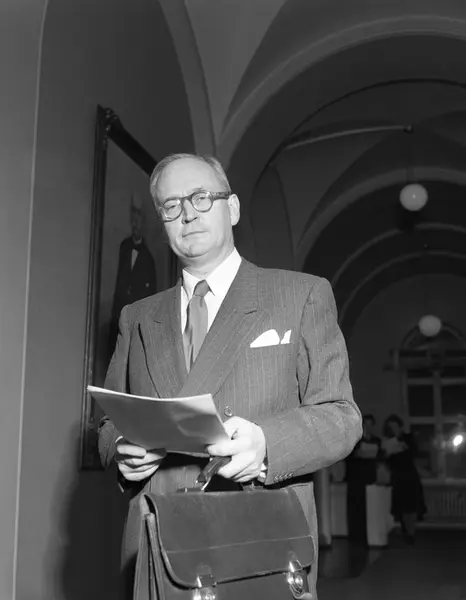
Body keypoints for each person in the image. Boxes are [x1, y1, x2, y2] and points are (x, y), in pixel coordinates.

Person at [98, 153, 362, 598]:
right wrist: (122, 449)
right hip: (157, 541)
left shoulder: (300, 295)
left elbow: (342, 416)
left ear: (232, 208)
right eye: (171, 205)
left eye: (201, 197)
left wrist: (267, 444)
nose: (187, 214)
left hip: (258, 541)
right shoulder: (137, 317)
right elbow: (109, 423)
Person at [108, 194, 157, 357]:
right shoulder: (124, 247)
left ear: (144, 223)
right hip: (118, 316)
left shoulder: (148, 259)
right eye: (133, 219)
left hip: (135, 322)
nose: (135, 223)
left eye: (138, 219)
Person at [382, 414, 426, 544]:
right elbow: (386, 461)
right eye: (390, 427)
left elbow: (414, 452)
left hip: (410, 475)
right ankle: (406, 531)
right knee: (401, 506)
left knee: (411, 506)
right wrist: (388, 454)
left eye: (395, 426)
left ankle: (411, 532)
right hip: (397, 476)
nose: (393, 429)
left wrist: (403, 445)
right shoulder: (387, 441)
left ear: (400, 426)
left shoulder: (408, 437)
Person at [346, 414, 382, 543]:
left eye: (370, 425)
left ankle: (369, 535)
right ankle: (355, 536)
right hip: (355, 477)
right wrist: (357, 454)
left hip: (369, 477)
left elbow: (380, 456)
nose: (368, 427)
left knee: (370, 507)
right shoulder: (354, 439)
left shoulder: (376, 440)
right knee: (355, 507)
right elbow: (347, 456)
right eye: (366, 424)